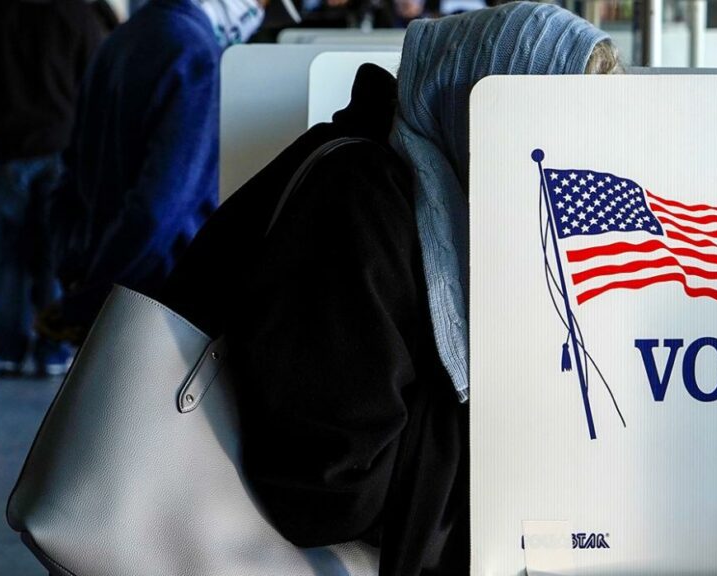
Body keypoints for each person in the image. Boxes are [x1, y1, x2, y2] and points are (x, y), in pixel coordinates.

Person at [161, 3, 620, 574]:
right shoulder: (357, 201)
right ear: (479, 110)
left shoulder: (428, 197)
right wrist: (504, 425)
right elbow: (327, 488)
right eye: (548, 132)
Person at [39, 0, 265, 346]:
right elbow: (161, 204)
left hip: (113, 278)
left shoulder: (118, 41)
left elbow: (69, 180)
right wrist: (97, 292)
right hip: (162, 294)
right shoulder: (197, 51)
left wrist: (78, 273)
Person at [0, 0, 105, 377]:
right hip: (61, 145)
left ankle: (8, 350)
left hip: (5, 149)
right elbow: (93, 80)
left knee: (10, 252)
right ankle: (54, 348)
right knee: (54, 252)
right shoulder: (75, 11)